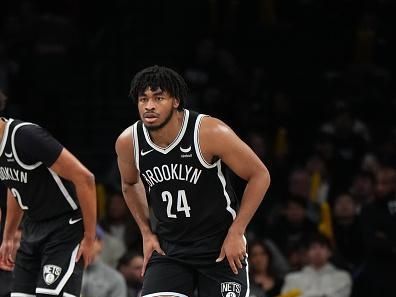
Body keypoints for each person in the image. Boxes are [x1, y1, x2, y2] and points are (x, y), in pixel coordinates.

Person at [115, 65, 270, 296]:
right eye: (143, 99)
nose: (149, 106)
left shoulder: (209, 132)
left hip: (219, 247)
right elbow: (129, 183)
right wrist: (147, 233)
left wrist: (237, 232)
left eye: (158, 98)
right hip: (170, 250)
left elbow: (260, 175)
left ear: (176, 101)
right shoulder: (129, 141)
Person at [0, 90, 97, 297]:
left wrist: (90, 237)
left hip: (65, 226)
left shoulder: (25, 136)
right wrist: (8, 237)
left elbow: (85, 178)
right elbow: (16, 185)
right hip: (32, 228)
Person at [281, 233, 352, 297]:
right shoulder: (292, 278)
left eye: (322, 247)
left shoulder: (342, 277)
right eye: (313, 248)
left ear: (330, 252)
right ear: (307, 253)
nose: (317, 252)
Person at [81, 225, 127, 297]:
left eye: (90, 239)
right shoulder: (64, 270)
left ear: (100, 244)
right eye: (81, 238)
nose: (83, 243)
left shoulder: (115, 279)